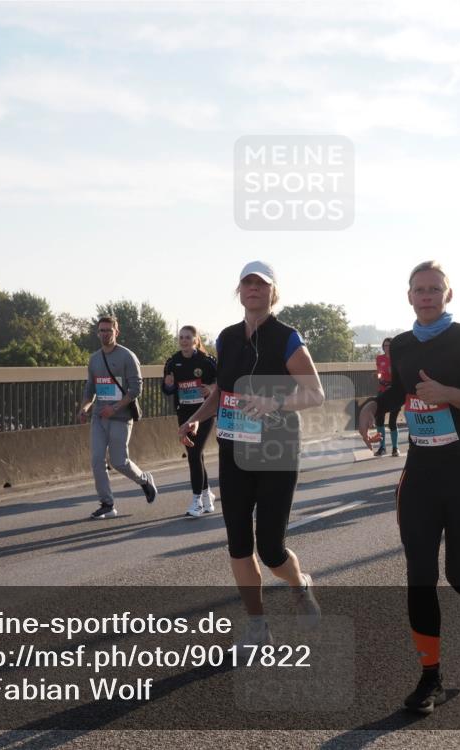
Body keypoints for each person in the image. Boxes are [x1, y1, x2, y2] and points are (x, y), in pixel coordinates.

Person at [357, 261, 460, 715]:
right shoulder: (401, 345)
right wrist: (370, 407)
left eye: (434, 289)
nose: (427, 296)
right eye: (419, 290)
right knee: (419, 576)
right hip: (420, 474)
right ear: (409, 296)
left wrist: (452, 394)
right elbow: (395, 392)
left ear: (448, 295)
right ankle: (430, 677)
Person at [177, 261, 324, 653]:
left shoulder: (287, 338)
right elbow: (221, 394)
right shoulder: (226, 339)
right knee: (238, 545)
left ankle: (298, 583)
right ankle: (258, 627)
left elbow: (315, 394)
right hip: (234, 453)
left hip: (277, 454)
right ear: (238, 291)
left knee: (271, 548)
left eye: (261, 284)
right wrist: (193, 419)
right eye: (247, 283)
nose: (253, 289)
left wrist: (274, 401)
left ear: (273, 293)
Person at [77, 316, 157, 518]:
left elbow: (136, 389)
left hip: (120, 417)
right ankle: (107, 503)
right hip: (99, 417)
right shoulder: (94, 359)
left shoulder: (127, 357)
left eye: (108, 331)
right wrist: (84, 408)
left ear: (116, 332)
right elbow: (90, 389)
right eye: (101, 331)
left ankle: (144, 480)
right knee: (96, 460)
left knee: (119, 461)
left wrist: (114, 408)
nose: (104, 334)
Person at [162, 326, 217, 518]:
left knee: (195, 453)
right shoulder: (172, 362)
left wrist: (210, 387)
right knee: (195, 455)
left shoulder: (207, 361)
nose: (184, 340)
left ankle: (197, 501)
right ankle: (207, 494)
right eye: (181, 337)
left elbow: (222, 382)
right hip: (184, 412)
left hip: (204, 414)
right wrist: (168, 385)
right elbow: (167, 389)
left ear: (195, 340)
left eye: (188, 337)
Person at [374, 338, 402, 457]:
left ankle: (395, 448)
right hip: (382, 390)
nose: (387, 347)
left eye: (389, 345)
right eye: (385, 345)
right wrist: (380, 379)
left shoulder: (398, 358)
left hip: (395, 392)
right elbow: (379, 372)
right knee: (379, 420)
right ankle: (382, 447)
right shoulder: (379, 358)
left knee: (392, 422)